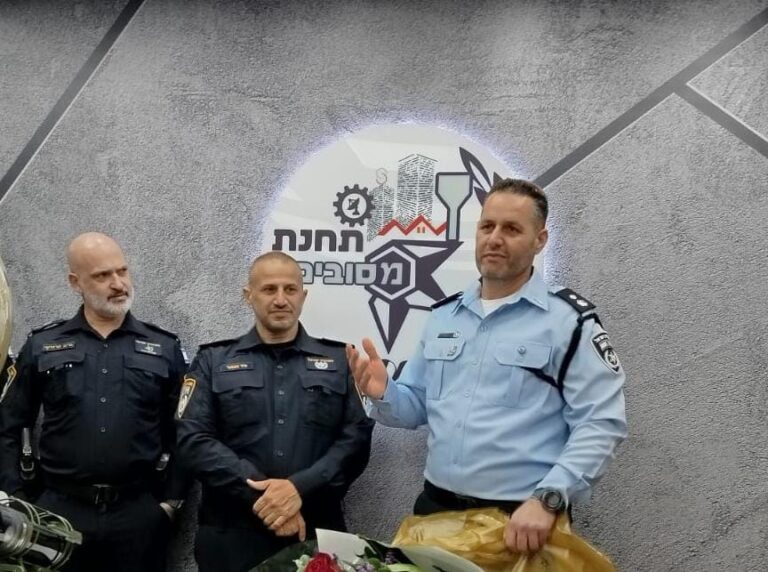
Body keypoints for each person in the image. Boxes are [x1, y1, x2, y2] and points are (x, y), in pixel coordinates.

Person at [347, 178, 627, 554]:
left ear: (540, 240)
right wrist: (385, 393)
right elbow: (415, 407)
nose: (495, 238)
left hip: (521, 524)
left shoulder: (569, 322)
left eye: (511, 229)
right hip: (435, 515)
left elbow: (601, 422)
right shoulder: (444, 316)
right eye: (487, 226)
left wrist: (550, 499)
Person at [0, 232, 187, 572]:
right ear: (76, 282)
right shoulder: (43, 345)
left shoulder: (164, 347)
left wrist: (169, 503)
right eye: (102, 275)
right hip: (57, 514)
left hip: (138, 515)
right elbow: (8, 425)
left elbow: (186, 431)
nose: (118, 284)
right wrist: (18, 500)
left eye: (122, 271)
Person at [176, 251, 374, 572]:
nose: (281, 299)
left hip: (314, 532)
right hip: (231, 535)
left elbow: (356, 441)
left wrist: (299, 489)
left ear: (303, 296)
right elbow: (192, 440)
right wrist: (265, 497)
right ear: (248, 295)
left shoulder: (340, 361)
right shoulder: (213, 360)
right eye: (269, 289)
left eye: (290, 289)